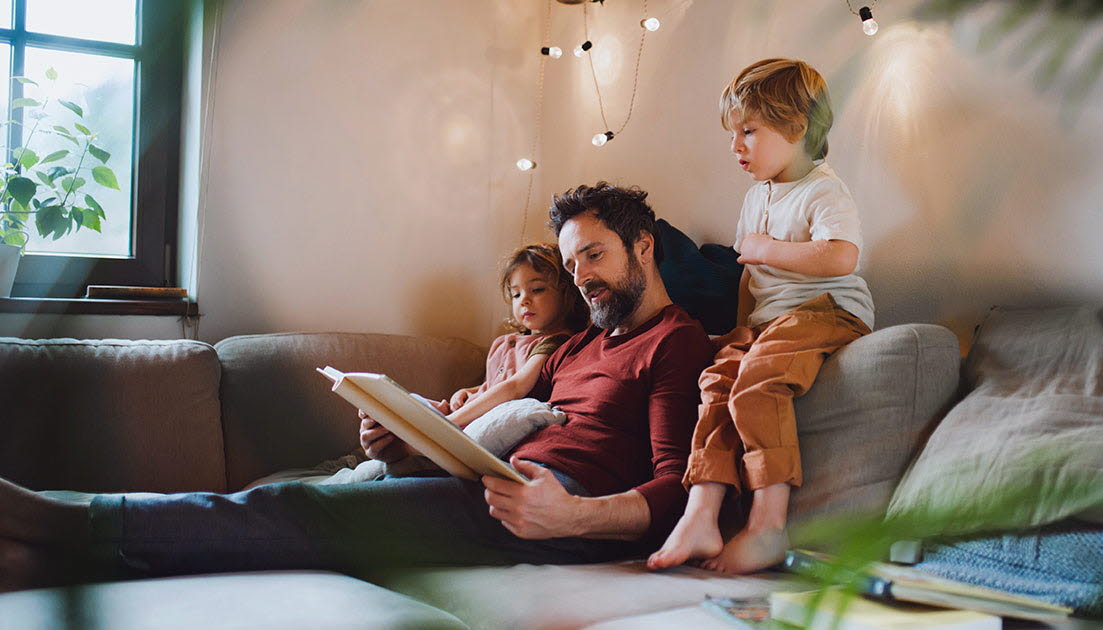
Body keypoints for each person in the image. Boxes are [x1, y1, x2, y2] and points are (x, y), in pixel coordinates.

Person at [0, 182, 713, 592]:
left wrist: (573, 519)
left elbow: (674, 488)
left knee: (303, 509)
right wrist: (402, 438)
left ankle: (61, 522)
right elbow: (504, 415)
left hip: (558, 516)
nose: (581, 275)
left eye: (594, 254)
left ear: (642, 246)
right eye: (572, 260)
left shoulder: (676, 343)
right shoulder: (582, 339)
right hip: (497, 486)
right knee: (322, 493)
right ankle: (39, 553)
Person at [647, 58, 875, 574]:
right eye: (733, 133)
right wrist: (737, 328)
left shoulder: (823, 189)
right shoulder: (755, 198)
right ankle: (701, 513)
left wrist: (768, 248)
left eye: (749, 131)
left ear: (798, 127)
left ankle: (768, 525)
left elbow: (840, 256)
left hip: (828, 310)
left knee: (758, 383)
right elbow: (750, 278)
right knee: (717, 381)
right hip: (772, 320)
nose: (736, 146)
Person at [360, 243, 589, 467]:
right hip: (466, 412)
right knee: (405, 402)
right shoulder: (506, 342)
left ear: (567, 293)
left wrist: (447, 424)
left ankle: (411, 441)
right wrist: (468, 391)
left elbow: (516, 386)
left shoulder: (555, 342)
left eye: (537, 289)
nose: (524, 300)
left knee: (422, 419)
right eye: (516, 294)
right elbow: (493, 384)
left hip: (477, 421)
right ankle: (387, 422)